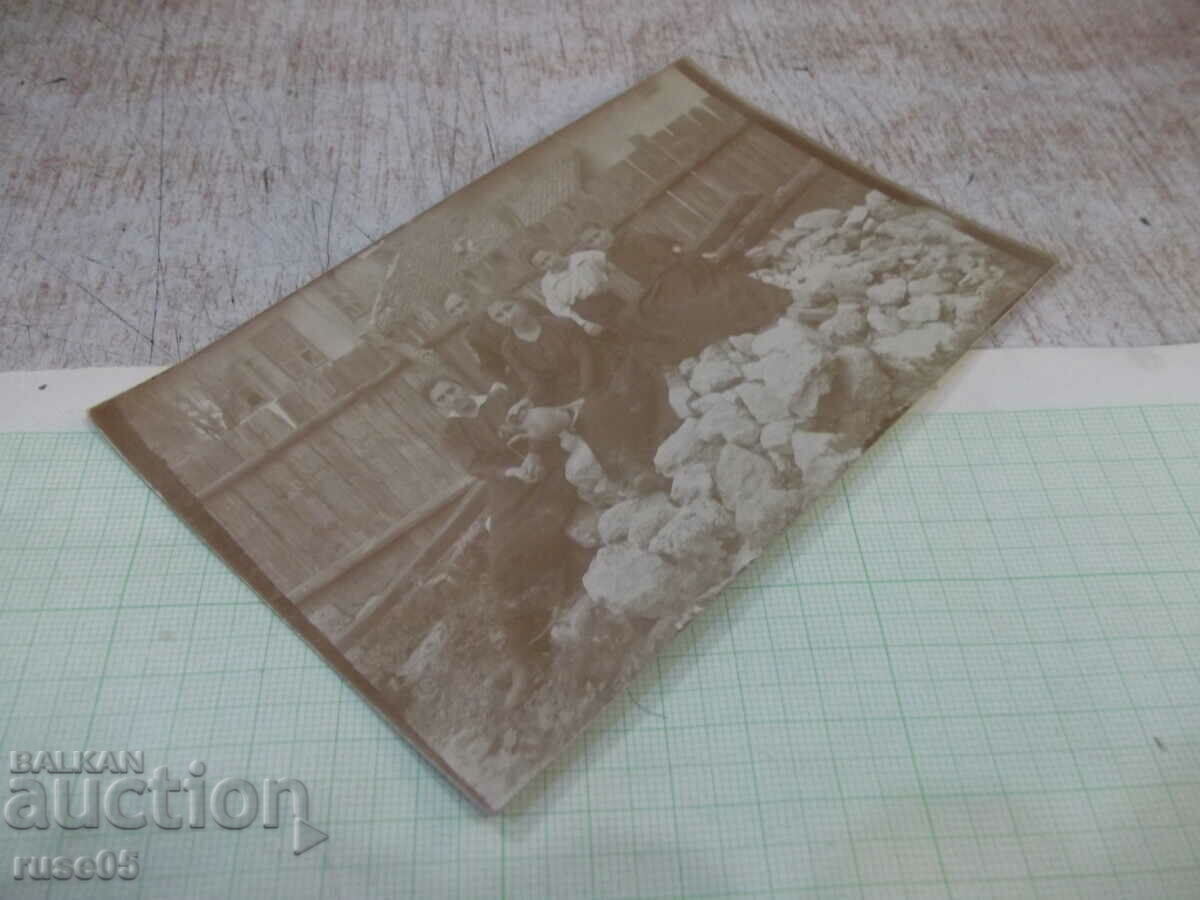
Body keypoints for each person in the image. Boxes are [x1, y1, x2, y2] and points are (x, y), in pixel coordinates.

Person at [426, 375, 580, 707]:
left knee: (541, 534)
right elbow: (478, 465)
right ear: (438, 409)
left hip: (549, 467)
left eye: (451, 388)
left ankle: (551, 616)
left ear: (460, 385)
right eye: (441, 399)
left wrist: (535, 454)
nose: (451, 397)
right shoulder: (452, 434)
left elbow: (533, 423)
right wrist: (513, 472)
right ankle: (522, 659)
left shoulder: (499, 399)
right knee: (500, 562)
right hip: (510, 487)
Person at [442, 292, 511, 384]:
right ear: (451, 316)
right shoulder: (471, 336)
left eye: (460, 305)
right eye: (453, 311)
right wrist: (496, 381)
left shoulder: (498, 312)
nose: (461, 311)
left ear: (468, 300)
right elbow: (488, 362)